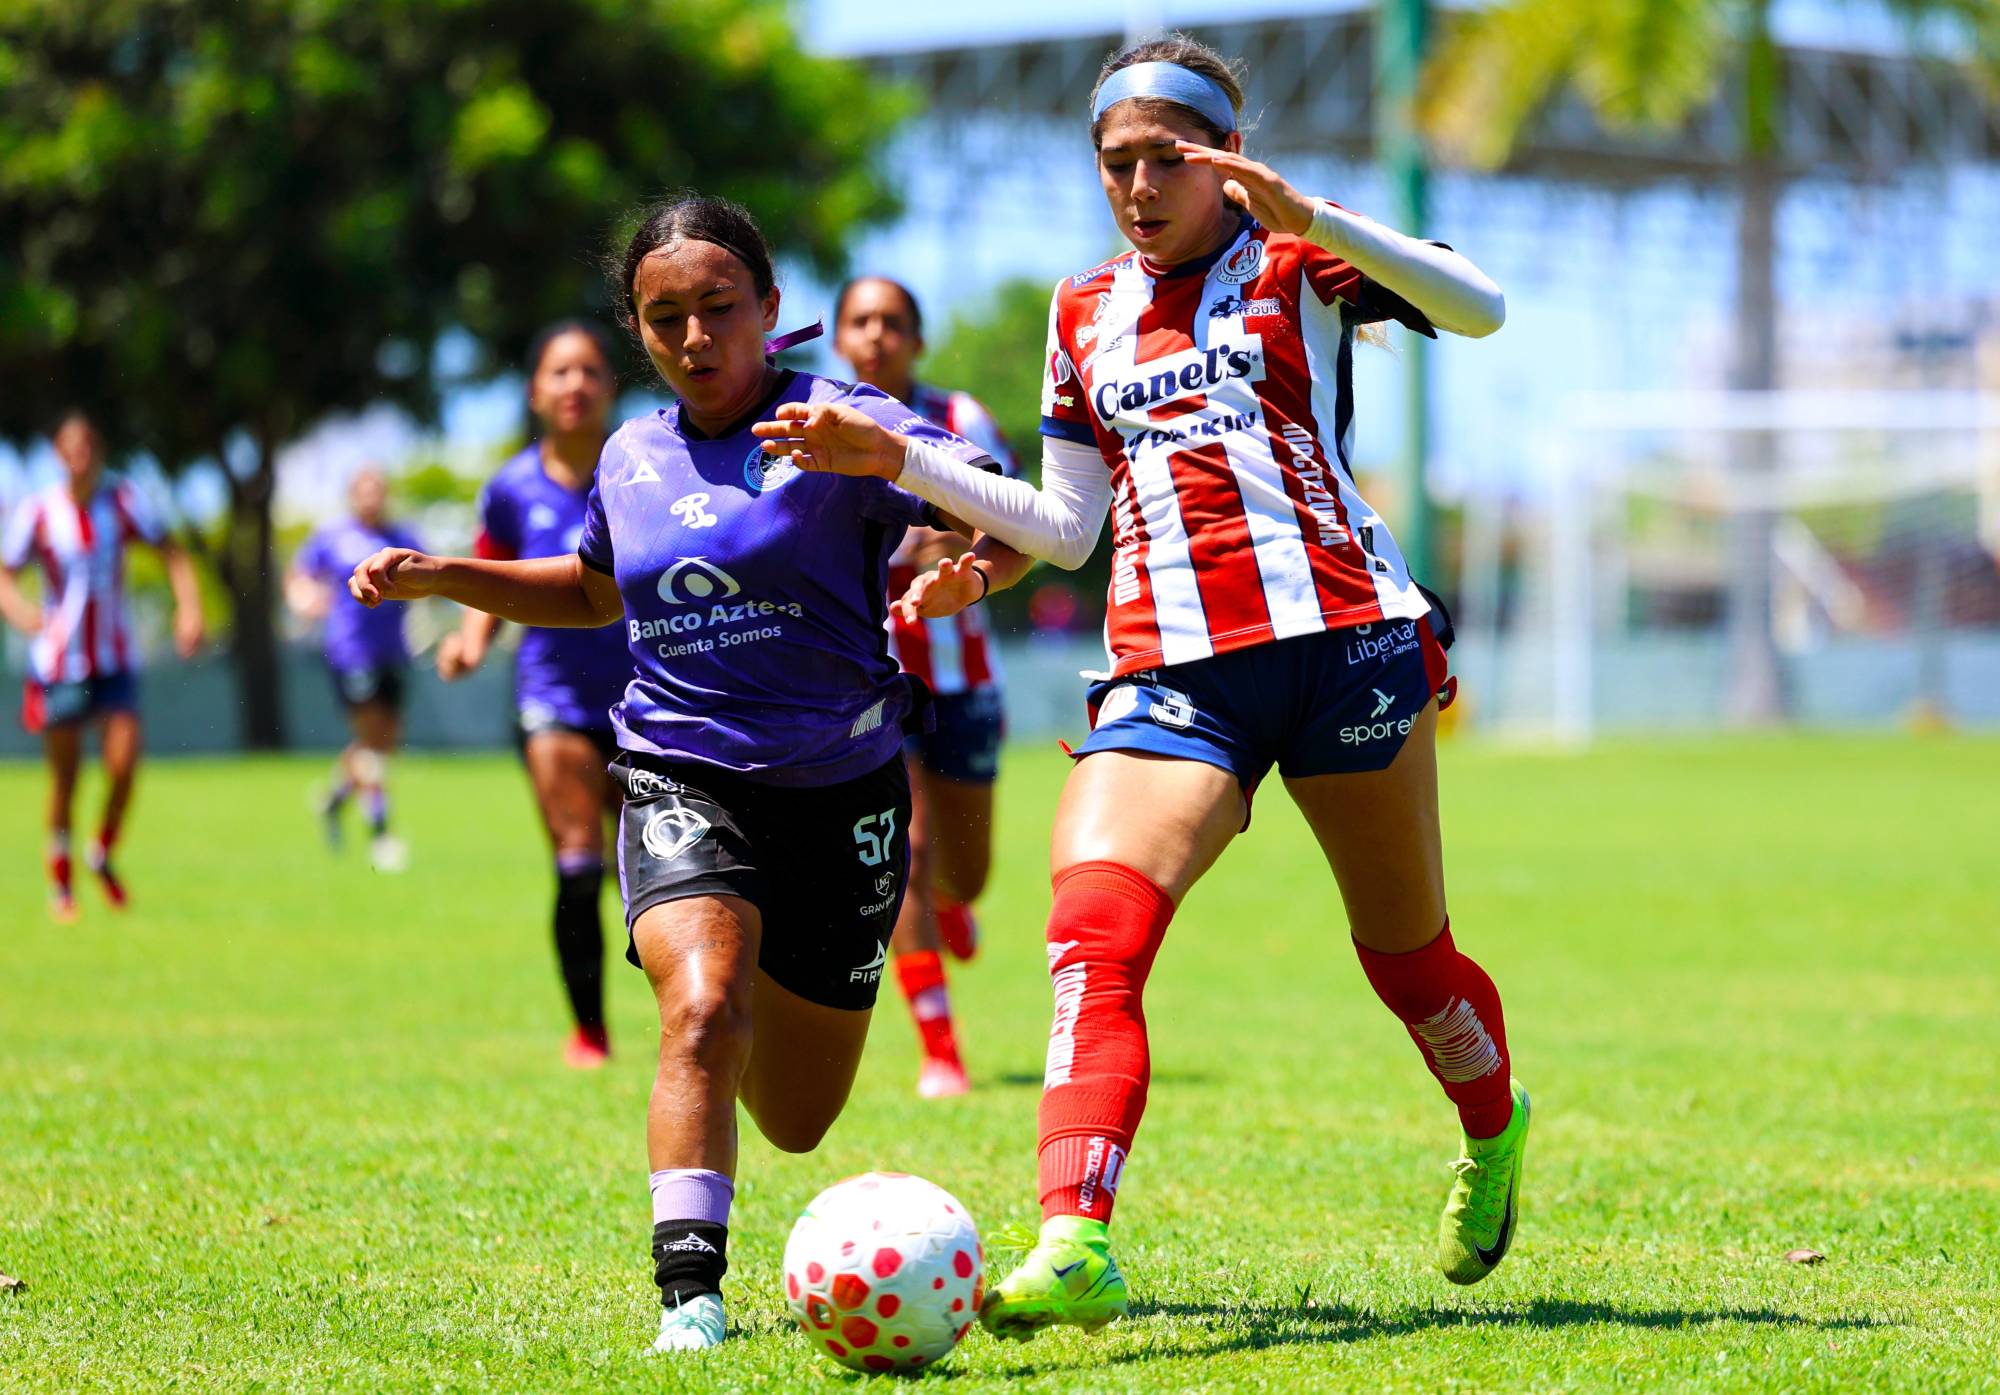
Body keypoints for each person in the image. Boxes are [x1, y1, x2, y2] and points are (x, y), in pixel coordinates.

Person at [753, 33, 1526, 1342]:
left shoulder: (1301, 258)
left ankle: (1493, 1127)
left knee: (1408, 959)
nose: (1140, 184)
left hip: (1347, 647)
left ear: (1225, 159)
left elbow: (1480, 308)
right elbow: (1065, 524)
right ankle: (1078, 1233)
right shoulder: (1081, 312)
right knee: (1093, 932)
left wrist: (1316, 212)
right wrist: (901, 458)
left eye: (1170, 158)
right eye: (1118, 162)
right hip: (1171, 673)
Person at [345, 192, 999, 1354]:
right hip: (678, 768)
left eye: (716, 309)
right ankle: (689, 1298)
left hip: (844, 789)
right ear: (635, 330)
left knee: (798, 1117)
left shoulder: (840, 419)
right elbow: (596, 590)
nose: (693, 340)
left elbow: (1004, 504)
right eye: (663, 319)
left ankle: (731, 1057)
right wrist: (452, 574)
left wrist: (965, 566)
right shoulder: (631, 453)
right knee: (699, 1010)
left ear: (768, 309)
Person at [832, 275, 1018, 1099]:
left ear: (916, 338)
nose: (877, 335)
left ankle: (954, 904)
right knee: (905, 851)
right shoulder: (814, 428)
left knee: (963, 872)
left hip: (964, 672)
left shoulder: (960, 419)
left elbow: (1014, 518)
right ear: (839, 337)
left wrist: (943, 544)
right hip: (871, 673)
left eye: (893, 322)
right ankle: (940, 1047)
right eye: (861, 321)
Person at [436, 320, 632, 1070]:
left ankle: (687, 1014)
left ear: (611, 385)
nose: (576, 384)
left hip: (651, 700)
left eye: (589, 370)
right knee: (579, 860)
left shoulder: (643, 466)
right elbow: (491, 575)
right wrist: (469, 640)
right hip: (552, 697)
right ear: (534, 393)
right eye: (560, 372)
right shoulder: (511, 488)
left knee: (648, 871)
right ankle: (589, 1029)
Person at [0, 410, 204, 919]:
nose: (80, 455)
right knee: (66, 778)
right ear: (58, 454)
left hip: (115, 658)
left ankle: (102, 851)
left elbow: (172, 552)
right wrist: (21, 611)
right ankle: (62, 881)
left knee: (124, 765)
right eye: (70, 447)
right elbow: (5, 572)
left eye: (88, 445)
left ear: (99, 451)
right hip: (60, 663)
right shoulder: (39, 512)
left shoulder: (123, 502)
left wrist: (190, 608)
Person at [287, 468, 422, 872]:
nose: (371, 498)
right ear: (352, 496)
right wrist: (305, 599)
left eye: (377, 491)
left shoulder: (402, 537)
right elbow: (299, 575)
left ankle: (333, 799)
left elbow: (432, 575)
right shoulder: (333, 537)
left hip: (393, 653)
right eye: (364, 492)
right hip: (351, 652)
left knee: (381, 745)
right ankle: (381, 836)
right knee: (370, 742)